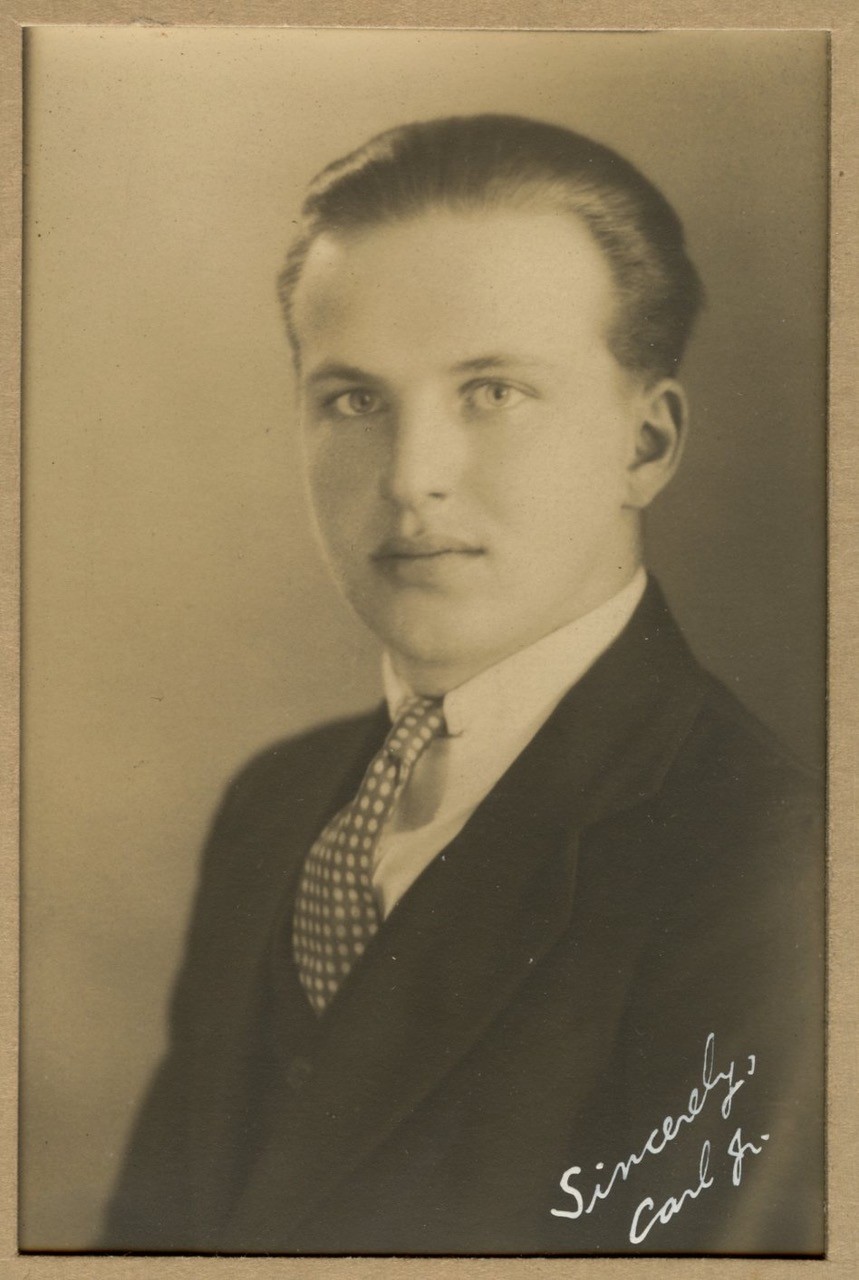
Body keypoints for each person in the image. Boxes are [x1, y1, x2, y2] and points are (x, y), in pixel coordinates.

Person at [101, 115, 824, 1256]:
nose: (410, 477)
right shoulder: (274, 808)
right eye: (354, 400)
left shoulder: (772, 868)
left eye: (492, 392)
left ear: (645, 443)